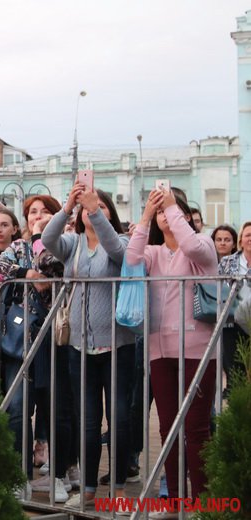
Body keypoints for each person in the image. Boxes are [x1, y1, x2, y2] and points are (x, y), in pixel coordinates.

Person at [42, 185, 133, 505]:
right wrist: (67, 206)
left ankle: (119, 489)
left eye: (102, 208)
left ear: (111, 213)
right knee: (88, 421)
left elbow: (119, 255)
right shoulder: (73, 243)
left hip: (118, 345)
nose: (93, 211)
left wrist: (95, 210)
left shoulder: (121, 241)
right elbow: (47, 240)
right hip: (79, 345)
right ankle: (89, 490)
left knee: (120, 418)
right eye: (89, 208)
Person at [126, 186, 218, 500]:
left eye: (172, 209)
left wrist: (172, 206)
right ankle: (176, 498)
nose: (167, 215)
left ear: (185, 215)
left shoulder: (202, 243)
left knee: (196, 428)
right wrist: (147, 214)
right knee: (168, 429)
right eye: (162, 210)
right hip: (159, 350)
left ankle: (203, 500)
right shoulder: (153, 253)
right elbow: (131, 257)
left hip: (198, 350)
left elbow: (193, 249)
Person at [0, 194, 63, 493]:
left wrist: (39, 237)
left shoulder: (62, 243)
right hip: (20, 338)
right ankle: (20, 478)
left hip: (56, 337)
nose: (38, 216)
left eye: (45, 212)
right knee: (18, 407)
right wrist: (27, 273)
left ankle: (61, 472)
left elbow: (56, 271)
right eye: (33, 212)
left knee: (56, 408)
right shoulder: (17, 247)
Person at [218, 222, 251, 396]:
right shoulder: (227, 261)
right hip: (232, 321)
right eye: (248, 235)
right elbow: (218, 288)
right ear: (241, 240)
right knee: (233, 370)